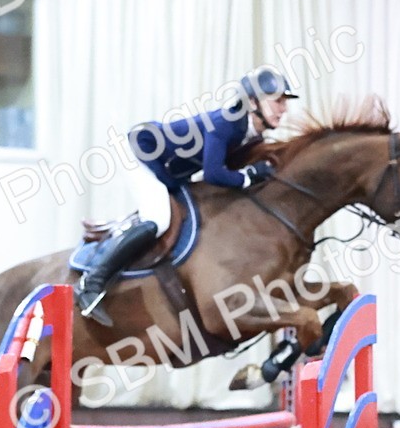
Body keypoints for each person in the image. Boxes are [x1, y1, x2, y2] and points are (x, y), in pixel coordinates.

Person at [76, 65, 298, 326]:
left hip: (167, 168)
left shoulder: (251, 134)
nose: (284, 108)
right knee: (158, 219)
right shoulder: (226, 124)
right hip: (139, 151)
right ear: (252, 102)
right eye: (278, 101)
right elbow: (214, 173)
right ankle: (92, 283)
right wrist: (249, 175)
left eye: (285, 102)